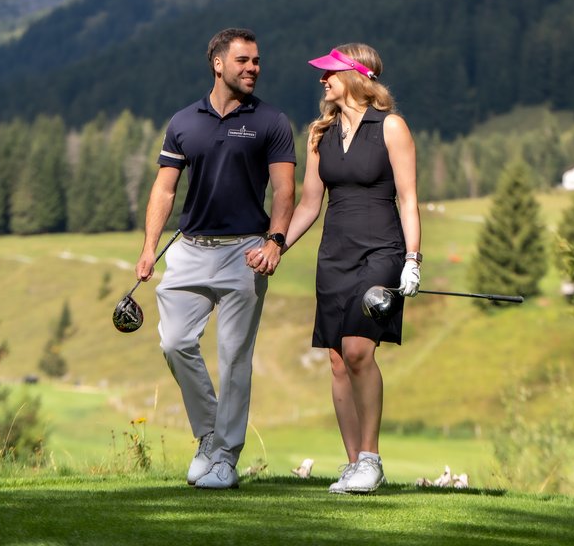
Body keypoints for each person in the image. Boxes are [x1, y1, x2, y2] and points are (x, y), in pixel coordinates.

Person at [135, 28, 296, 490]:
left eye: (258, 61)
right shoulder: (184, 121)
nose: (253, 68)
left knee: (234, 357)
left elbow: (285, 189)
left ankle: (225, 455)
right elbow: (164, 189)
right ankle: (209, 436)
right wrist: (149, 248)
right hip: (188, 251)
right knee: (174, 343)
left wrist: (275, 241)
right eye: (244, 60)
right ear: (218, 64)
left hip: (244, 252)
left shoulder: (271, 121)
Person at [265, 43, 421, 493]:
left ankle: (371, 458)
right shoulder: (320, 134)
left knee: (357, 350)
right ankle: (354, 465)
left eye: (329, 71)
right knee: (336, 361)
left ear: (356, 75)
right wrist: (277, 245)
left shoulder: (391, 127)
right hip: (335, 255)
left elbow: (408, 198)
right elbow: (310, 204)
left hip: (382, 252)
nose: (322, 79)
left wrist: (412, 259)